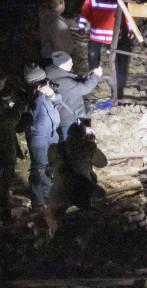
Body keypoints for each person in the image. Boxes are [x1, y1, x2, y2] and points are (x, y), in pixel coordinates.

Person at [45, 122, 107, 235]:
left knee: (53, 215)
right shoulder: (89, 147)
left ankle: (54, 235)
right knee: (101, 197)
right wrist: (92, 143)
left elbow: (48, 171)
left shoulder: (54, 148)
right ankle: (92, 232)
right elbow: (103, 163)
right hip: (82, 191)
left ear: (68, 133)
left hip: (59, 192)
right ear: (83, 135)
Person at [24, 66, 64, 215]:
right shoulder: (29, 96)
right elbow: (33, 111)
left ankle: (47, 195)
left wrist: (52, 94)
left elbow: (57, 102)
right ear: (33, 83)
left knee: (49, 166)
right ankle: (37, 203)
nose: (44, 82)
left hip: (51, 133)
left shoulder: (42, 93)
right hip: (38, 137)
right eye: (41, 81)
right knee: (38, 168)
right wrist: (40, 94)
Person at [44, 51, 101, 139]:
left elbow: (76, 82)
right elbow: (84, 88)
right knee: (73, 142)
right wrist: (96, 76)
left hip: (76, 110)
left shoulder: (56, 74)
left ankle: (86, 136)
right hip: (70, 118)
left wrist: (90, 75)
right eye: (69, 62)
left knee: (84, 133)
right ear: (62, 64)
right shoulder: (62, 82)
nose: (72, 63)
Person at [78, 0, 120, 72]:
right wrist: (81, 26)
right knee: (93, 55)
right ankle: (93, 74)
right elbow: (85, 11)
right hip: (96, 35)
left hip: (113, 36)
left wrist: (130, 29)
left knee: (115, 56)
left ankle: (115, 73)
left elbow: (126, 14)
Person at [0, 75, 20, 223]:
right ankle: (5, 217)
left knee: (5, 183)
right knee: (4, 183)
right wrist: (17, 111)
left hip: (6, 147)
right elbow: (6, 123)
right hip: (4, 149)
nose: (3, 84)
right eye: (2, 81)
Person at [38, 0, 77, 64]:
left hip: (48, 53)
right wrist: (66, 55)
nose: (64, 6)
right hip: (55, 57)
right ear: (60, 5)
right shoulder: (56, 21)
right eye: (64, 4)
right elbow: (57, 41)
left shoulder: (47, 17)